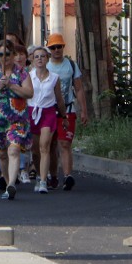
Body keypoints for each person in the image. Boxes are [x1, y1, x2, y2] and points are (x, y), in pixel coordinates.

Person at [0, 40, 34, 200]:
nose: (4, 57)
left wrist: (11, 85)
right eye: (1, 54)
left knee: (14, 149)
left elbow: (29, 93)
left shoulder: (22, 73)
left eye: (7, 54)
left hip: (17, 117)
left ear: (13, 55)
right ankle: (6, 180)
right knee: (2, 153)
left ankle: (11, 183)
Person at [46, 32, 89, 191]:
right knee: (50, 145)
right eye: (53, 47)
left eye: (59, 46)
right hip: (49, 110)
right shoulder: (45, 66)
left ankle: (68, 175)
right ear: (49, 49)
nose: (57, 50)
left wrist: (84, 110)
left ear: (63, 47)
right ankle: (53, 176)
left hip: (68, 110)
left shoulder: (71, 65)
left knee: (65, 143)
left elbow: (78, 88)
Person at [28, 46, 67, 194]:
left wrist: (64, 117)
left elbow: (59, 99)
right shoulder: (28, 76)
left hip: (48, 112)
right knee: (36, 150)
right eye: (36, 56)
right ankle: (39, 174)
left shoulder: (54, 77)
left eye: (42, 56)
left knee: (45, 146)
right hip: (32, 112)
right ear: (32, 59)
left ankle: (44, 181)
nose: (39, 59)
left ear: (47, 59)